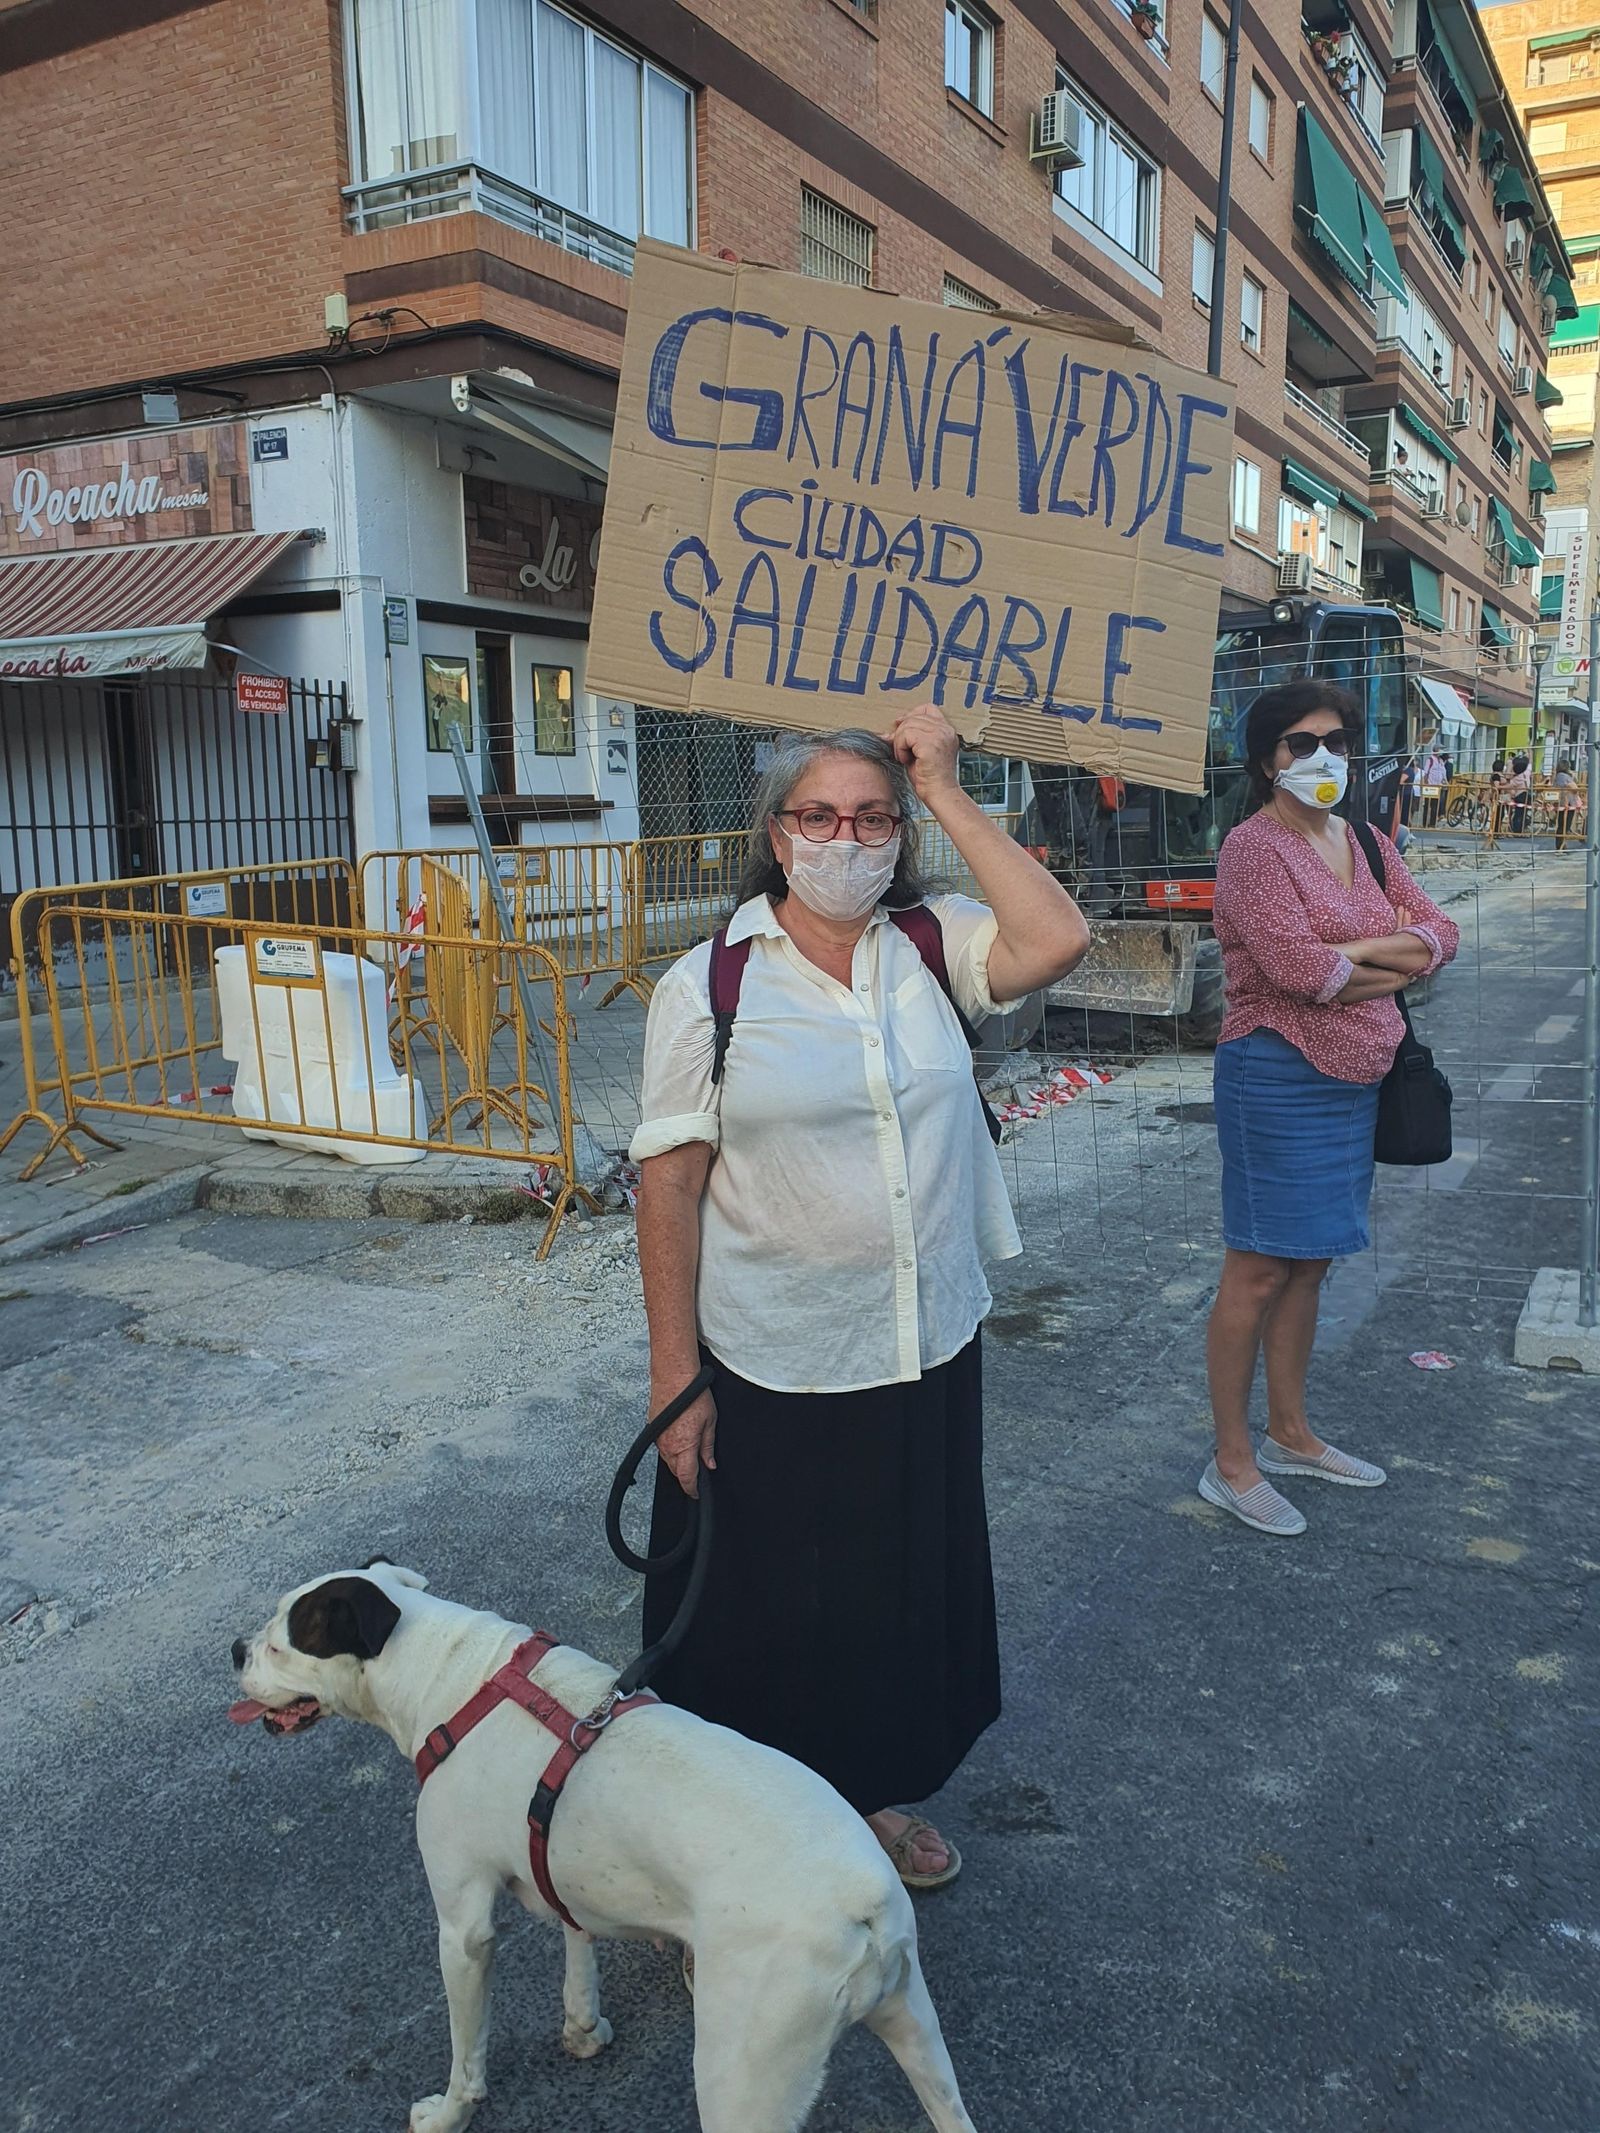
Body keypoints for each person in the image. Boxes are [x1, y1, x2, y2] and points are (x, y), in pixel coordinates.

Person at [631, 707, 1088, 1887]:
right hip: (771, 1358)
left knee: (895, 1596)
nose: (847, 838)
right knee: (759, 1616)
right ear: (775, 834)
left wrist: (942, 784)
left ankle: (868, 1799)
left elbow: (1059, 935)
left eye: (871, 816)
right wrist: (673, 1378)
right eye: (820, 816)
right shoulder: (708, 985)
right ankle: (736, 1857)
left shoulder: (936, 946)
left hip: (922, 1343)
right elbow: (669, 1186)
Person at [1199, 682, 1460, 1536]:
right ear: (1266, 760)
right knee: (1260, 1267)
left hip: (1356, 1076)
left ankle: (1291, 1432)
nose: (1323, 759)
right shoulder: (1252, 849)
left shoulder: (1367, 840)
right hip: (1274, 1075)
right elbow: (1297, 971)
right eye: (1300, 744)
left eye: (1337, 742)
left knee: (1312, 1261)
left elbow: (1442, 935)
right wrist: (1392, 958)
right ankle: (1231, 1461)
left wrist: (1363, 956)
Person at [1553, 755, 1583, 851]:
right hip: (1568, 802)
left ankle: (1561, 844)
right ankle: (1561, 845)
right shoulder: (1565, 776)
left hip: (1562, 802)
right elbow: (1574, 787)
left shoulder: (1557, 776)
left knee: (1562, 824)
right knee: (1565, 824)